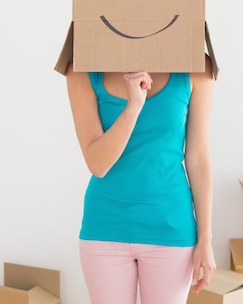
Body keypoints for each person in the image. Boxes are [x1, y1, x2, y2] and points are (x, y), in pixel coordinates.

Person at [65, 55, 216, 304]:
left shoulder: (196, 67)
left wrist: (205, 240)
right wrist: (134, 106)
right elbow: (97, 164)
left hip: (171, 229)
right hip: (105, 228)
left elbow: (198, 157)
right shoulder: (82, 69)